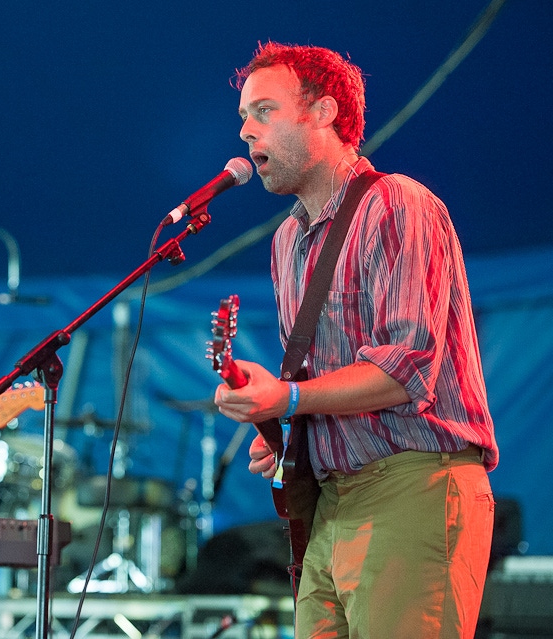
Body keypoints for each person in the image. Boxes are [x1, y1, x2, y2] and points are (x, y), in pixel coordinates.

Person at [213, 42, 498, 638]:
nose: (244, 131)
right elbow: (321, 383)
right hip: (330, 504)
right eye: (244, 116)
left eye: (263, 111)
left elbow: (405, 368)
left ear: (323, 112)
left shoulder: (398, 202)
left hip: (413, 484)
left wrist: (289, 401)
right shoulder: (286, 243)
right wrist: (290, 433)